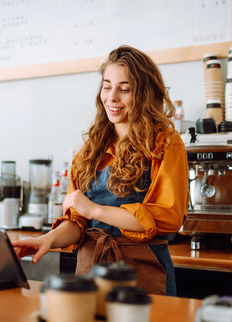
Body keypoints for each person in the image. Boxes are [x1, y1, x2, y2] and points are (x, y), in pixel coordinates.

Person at [12, 45, 189, 296]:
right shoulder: (90, 150)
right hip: (90, 272)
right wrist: (46, 240)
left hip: (142, 275)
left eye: (125, 89)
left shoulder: (165, 143)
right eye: (107, 86)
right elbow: (78, 222)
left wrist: (94, 209)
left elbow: (168, 216)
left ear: (145, 94)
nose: (112, 98)